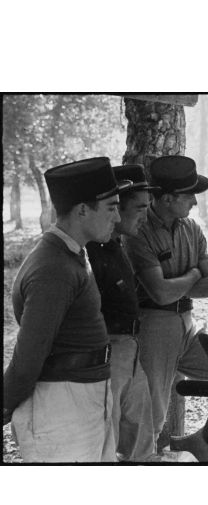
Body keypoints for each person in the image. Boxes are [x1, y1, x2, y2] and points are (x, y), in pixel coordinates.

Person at [3, 157, 120, 462]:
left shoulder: (72, 255)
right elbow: (28, 358)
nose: (118, 217)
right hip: (61, 410)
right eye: (111, 207)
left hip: (80, 400)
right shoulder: (53, 267)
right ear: (82, 210)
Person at [124, 156, 208, 447]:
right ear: (166, 199)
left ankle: (203, 444)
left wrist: (178, 281)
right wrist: (192, 275)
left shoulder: (193, 229)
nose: (194, 202)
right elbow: (160, 294)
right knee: (153, 413)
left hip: (188, 323)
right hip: (155, 326)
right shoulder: (140, 232)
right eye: (188, 195)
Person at [86, 164, 157, 461]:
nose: (145, 215)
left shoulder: (117, 246)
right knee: (108, 438)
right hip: (108, 355)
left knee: (141, 437)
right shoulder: (91, 252)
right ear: (116, 207)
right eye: (139, 207)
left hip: (131, 351)